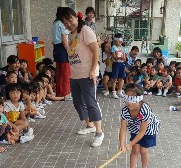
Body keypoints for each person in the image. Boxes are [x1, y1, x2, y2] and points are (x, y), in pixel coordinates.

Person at [61, 7, 104, 147]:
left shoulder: (85, 30)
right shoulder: (71, 34)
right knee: (78, 102)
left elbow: (96, 49)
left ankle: (99, 132)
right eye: (65, 22)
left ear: (77, 17)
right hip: (75, 74)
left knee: (91, 103)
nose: (68, 24)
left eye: (70, 20)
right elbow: (73, 53)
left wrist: (93, 70)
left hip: (87, 74)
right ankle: (89, 125)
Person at [119, 84, 160, 168]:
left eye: (132, 99)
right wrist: (122, 144)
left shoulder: (145, 110)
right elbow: (123, 129)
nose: (129, 102)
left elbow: (142, 132)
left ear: (139, 99)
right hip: (135, 128)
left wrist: (129, 144)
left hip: (148, 129)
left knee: (143, 150)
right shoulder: (125, 110)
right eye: (127, 98)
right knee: (134, 150)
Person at [52, 7, 71, 98]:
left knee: (59, 73)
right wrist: (69, 51)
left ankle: (60, 92)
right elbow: (64, 40)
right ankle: (65, 93)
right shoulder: (62, 24)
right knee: (65, 73)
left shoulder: (55, 23)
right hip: (62, 48)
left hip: (56, 48)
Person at [111, 33, 126, 99]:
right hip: (116, 64)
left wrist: (123, 58)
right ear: (115, 40)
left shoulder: (122, 48)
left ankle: (119, 91)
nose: (120, 42)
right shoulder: (113, 47)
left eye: (121, 40)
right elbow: (114, 57)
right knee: (115, 78)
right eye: (118, 40)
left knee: (121, 78)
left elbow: (124, 57)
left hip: (122, 64)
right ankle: (113, 92)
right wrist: (120, 58)